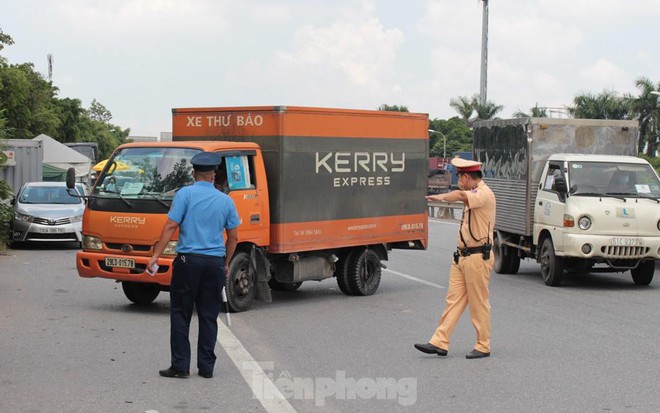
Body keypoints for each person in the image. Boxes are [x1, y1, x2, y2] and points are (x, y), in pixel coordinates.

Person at [148, 152, 240, 379]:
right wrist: (225, 263)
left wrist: (155, 257)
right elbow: (234, 237)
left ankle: (180, 366)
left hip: (188, 263)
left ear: (193, 173)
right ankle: (206, 368)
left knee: (181, 313)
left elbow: (170, 226)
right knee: (209, 315)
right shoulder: (226, 200)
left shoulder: (185, 195)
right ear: (214, 174)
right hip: (214, 264)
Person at [414, 158, 496, 359]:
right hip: (462, 257)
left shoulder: (483, 194)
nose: (459, 180)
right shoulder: (473, 194)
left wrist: (439, 197)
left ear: (467, 177)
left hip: (477, 257)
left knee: (479, 304)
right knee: (453, 301)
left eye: (459, 176)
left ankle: (483, 345)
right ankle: (439, 341)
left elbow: (460, 195)